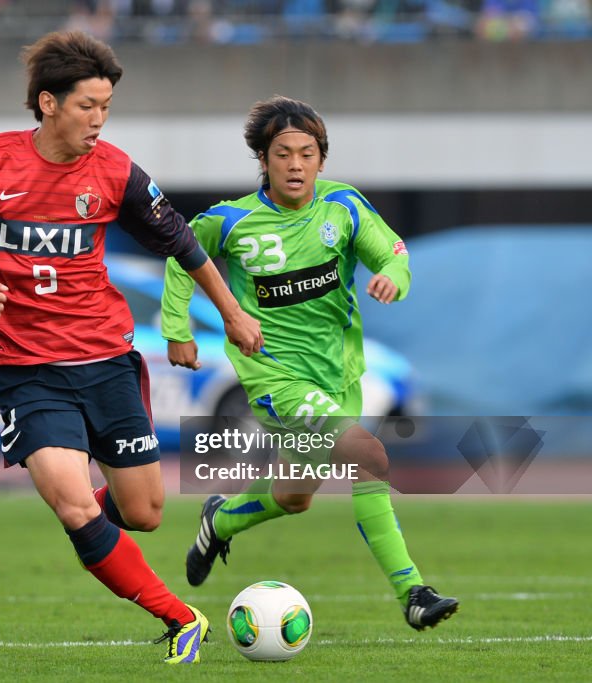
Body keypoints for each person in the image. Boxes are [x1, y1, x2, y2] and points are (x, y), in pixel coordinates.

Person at [0, 31, 262, 664]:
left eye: (107, 106)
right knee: (68, 503)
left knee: (142, 513)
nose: (99, 119)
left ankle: (94, 517)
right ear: (48, 103)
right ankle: (179, 618)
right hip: (25, 367)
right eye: (88, 105)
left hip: (107, 360)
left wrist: (229, 313)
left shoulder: (114, 170)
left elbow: (182, 242)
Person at [161, 95, 459, 631]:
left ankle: (220, 520)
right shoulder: (230, 221)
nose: (295, 164)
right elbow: (183, 256)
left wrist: (396, 276)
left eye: (306, 153)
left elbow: (393, 253)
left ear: (321, 159)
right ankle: (413, 591)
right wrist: (177, 329)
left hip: (339, 377)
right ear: (263, 160)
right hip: (274, 376)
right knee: (369, 457)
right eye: (282, 154)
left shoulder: (343, 206)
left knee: (294, 496)